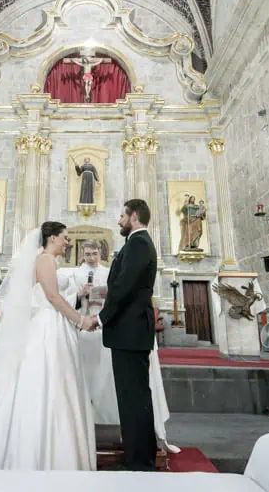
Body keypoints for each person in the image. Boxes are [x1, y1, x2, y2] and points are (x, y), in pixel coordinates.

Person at [0, 222, 98, 470]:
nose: (67, 242)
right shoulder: (45, 260)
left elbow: (49, 297)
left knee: (55, 381)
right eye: (64, 237)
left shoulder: (47, 261)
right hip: (48, 327)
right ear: (51, 238)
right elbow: (51, 297)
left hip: (52, 323)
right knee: (46, 381)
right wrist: (81, 320)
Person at [72, 241, 178, 453]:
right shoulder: (75, 274)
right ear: (81, 254)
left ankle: (110, 419)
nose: (90, 257)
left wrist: (99, 294)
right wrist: (80, 295)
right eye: (87, 254)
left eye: (94, 253)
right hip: (84, 324)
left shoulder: (109, 272)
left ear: (100, 254)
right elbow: (69, 299)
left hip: (106, 326)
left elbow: (117, 295)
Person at [96, 199, 158, 471]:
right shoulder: (135, 243)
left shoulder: (139, 243)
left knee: (133, 397)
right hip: (128, 332)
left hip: (130, 331)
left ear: (134, 216)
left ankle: (140, 462)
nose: (119, 220)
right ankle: (139, 455)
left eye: (122, 215)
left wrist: (100, 317)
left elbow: (123, 287)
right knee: (132, 396)